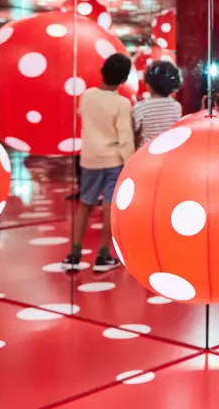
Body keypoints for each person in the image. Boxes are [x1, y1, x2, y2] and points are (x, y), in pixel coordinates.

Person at [62, 53, 134, 273]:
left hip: (90, 158)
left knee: (85, 203)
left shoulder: (87, 96)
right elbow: (125, 137)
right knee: (109, 207)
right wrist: (129, 162)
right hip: (113, 159)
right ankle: (104, 254)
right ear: (123, 79)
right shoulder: (122, 103)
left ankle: (74, 252)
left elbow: (82, 116)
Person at [133, 60, 183, 147]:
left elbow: (134, 131)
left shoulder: (140, 107)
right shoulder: (176, 106)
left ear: (148, 85)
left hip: (147, 153)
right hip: (169, 151)